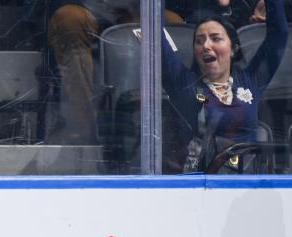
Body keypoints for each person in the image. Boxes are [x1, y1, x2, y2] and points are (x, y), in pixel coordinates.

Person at [34, 0, 188, 144]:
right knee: (69, 19)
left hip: (135, 9)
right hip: (85, 9)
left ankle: (177, 136)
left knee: (175, 24)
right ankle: (88, 127)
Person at [163, 0, 289, 172]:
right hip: (201, 188)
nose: (206, 46)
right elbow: (156, 39)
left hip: (247, 187)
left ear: (233, 48)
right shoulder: (185, 85)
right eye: (199, 41)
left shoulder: (251, 80)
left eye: (215, 38)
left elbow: (279, 34)